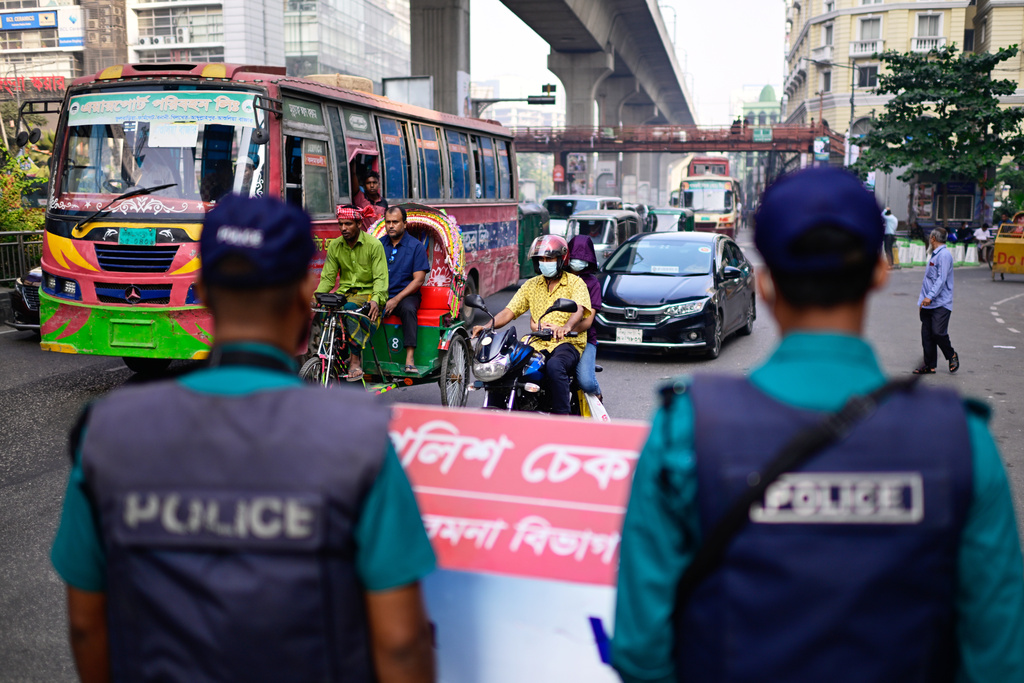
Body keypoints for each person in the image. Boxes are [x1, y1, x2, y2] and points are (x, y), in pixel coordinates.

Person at [612, 167, 1024, 683]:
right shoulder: (962, 443)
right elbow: (999, 661)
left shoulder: (685, 431)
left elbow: (640, 651)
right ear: (878, 272)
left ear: (762, 285)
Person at [50, 194, 437, 683]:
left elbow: (87, 625)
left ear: (205, 292)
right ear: (303, 296)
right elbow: (401, 643)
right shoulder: (359, 436)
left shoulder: (107, 430)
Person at [471, 234, 590, 415]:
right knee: (507, 363)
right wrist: (488, 325)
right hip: (536, 341)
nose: (544, 262)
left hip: (567, 343)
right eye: (540, 259)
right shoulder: (531, 285)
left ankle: (562, 418)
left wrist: (566, 327)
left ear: (561, 259)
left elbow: (579, 309)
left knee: (555, 366)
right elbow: (509, 311)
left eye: (549, 258)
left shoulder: (575, 283)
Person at [316, 204, 389, 381]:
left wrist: (377, 300)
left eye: (348, 224)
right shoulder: (335, 246)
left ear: (358, 223)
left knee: (349, 310)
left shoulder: (374, 245)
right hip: (345, 293)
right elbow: (328, 278)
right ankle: (336, 354)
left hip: (369, 295)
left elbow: (380, 278)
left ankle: (355, 359)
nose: (343, 228)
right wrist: (316, 296)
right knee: (324, 312)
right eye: (340, 224)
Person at [380, 206, 431, 373]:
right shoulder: (379, 244)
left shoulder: (416, 247)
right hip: (382, 294)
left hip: (407, 295)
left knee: (409, 309)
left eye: (395, 222)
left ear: (405, 224)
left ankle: (410, 359)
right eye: (388, 222)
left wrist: (396, 299)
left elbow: (418, 280)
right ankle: (357, 358)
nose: (391, 226)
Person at [915, 227, 958, 375]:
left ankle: (951, 354)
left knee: (938, 332)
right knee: (927, 334)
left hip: (941, 302)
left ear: (933, 238)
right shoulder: (934, 255)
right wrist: (922, 301)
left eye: (930, 237)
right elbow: (927, 282)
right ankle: (929, 365)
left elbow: (941, 279)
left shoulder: (944, 255)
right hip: (928, 303)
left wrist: (929, 297)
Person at [567, 233, 602, 399]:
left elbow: (588, 321)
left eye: (583, 257)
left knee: (586, 382)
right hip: (555, 338)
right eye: (574, 257)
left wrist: (565, 330)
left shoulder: (592, 283)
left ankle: (598, 394)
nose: (578, 261)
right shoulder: (559, 278)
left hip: (585, 339)